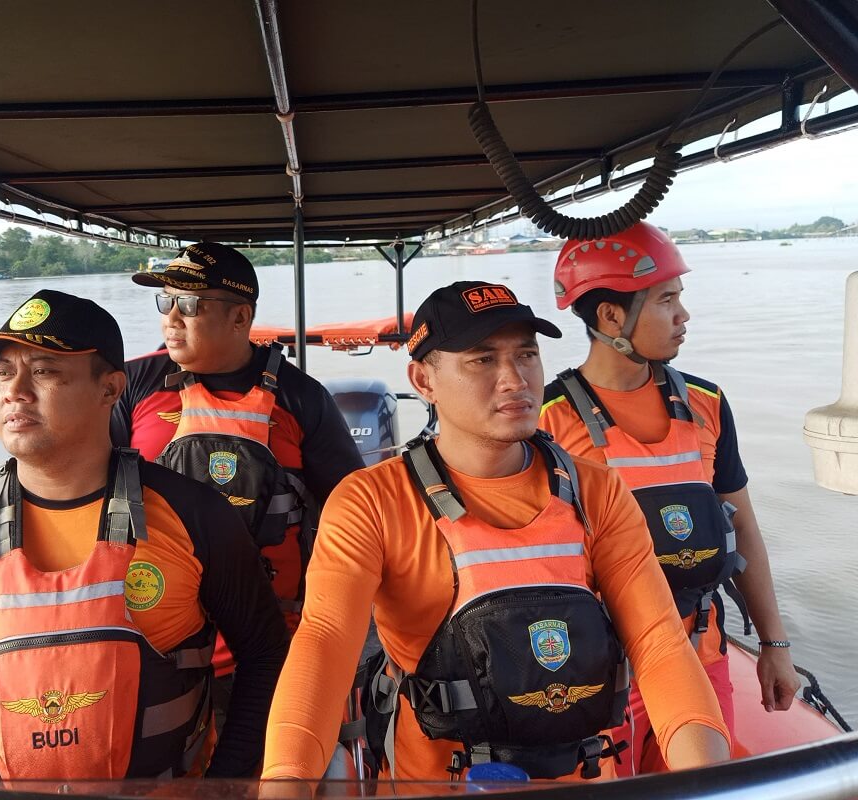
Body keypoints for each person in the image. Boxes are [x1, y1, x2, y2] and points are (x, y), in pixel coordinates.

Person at [262, 281, 730, 785]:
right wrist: (286, 779)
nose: (515, 379)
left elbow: (658, 641)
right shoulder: (371, 501)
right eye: (482, 360)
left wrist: (711, 780)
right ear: (423, 380)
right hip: (437, 781)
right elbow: (327, 642)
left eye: (526, 355)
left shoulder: (597, 491)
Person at [0, 289, 287, 781]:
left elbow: (264, 656)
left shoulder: (194, 517)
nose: (15, 390)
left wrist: (225, 787)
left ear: (111, 390)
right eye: (3, 372)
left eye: (45, 371)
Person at [541, 222, 797, 774]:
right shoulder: (547, 421)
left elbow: (743, 526)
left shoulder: (707, 402)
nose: (684, 315)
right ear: (611, 317)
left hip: (702, 654)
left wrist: (775, 644)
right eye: (667, 300)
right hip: (601, 667)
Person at [113, 242, 364, 708]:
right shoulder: (132, 386)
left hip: (271, 640)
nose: (171, 318)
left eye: (189, 304)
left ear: (240, 318)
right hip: (156, 640)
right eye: (164, 300)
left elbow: (352, 515)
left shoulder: (301, 399)